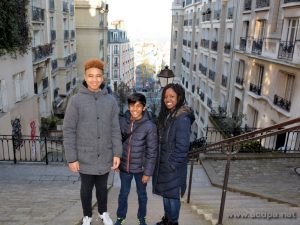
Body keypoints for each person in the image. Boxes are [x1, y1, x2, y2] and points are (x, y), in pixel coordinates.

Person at [63, 58, 122, 225]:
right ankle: (87, 216)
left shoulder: (110, 101)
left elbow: (115, 129)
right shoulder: (75, 101)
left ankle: (103, 213)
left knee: (103, 188)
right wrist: (72, 158)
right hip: (84, 156)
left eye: (98, 76)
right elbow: (68, 131)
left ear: (103, 78)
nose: (94, 79)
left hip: (105, 154)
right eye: (91, 76)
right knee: (86, 189)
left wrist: (117, 153)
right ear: (85, 77)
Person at [152, 83, 195, 225]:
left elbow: (182, 147)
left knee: (173, 197)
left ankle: (173, 222)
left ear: (179, 97)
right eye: (165, 96)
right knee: (166, 195)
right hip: (164, 164)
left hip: (173, 167)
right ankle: (167, 219)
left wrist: (171, 165)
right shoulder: (170, 115)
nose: (167, 99)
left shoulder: (182, 119)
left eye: (171, 96)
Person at [114, 93, 158, 225]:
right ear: (128, 106)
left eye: (139, 106)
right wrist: (116, 161)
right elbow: (116, 142)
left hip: (141, 169)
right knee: (123, 194)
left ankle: (142, 217)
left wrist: (148, 173)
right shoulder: (122, 121)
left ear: (144, 107)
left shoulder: (150, 126)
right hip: (124, 167)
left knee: (142, 195)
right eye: (132, 105)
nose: (135, 109)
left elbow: (152, 151)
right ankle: (120, 217)